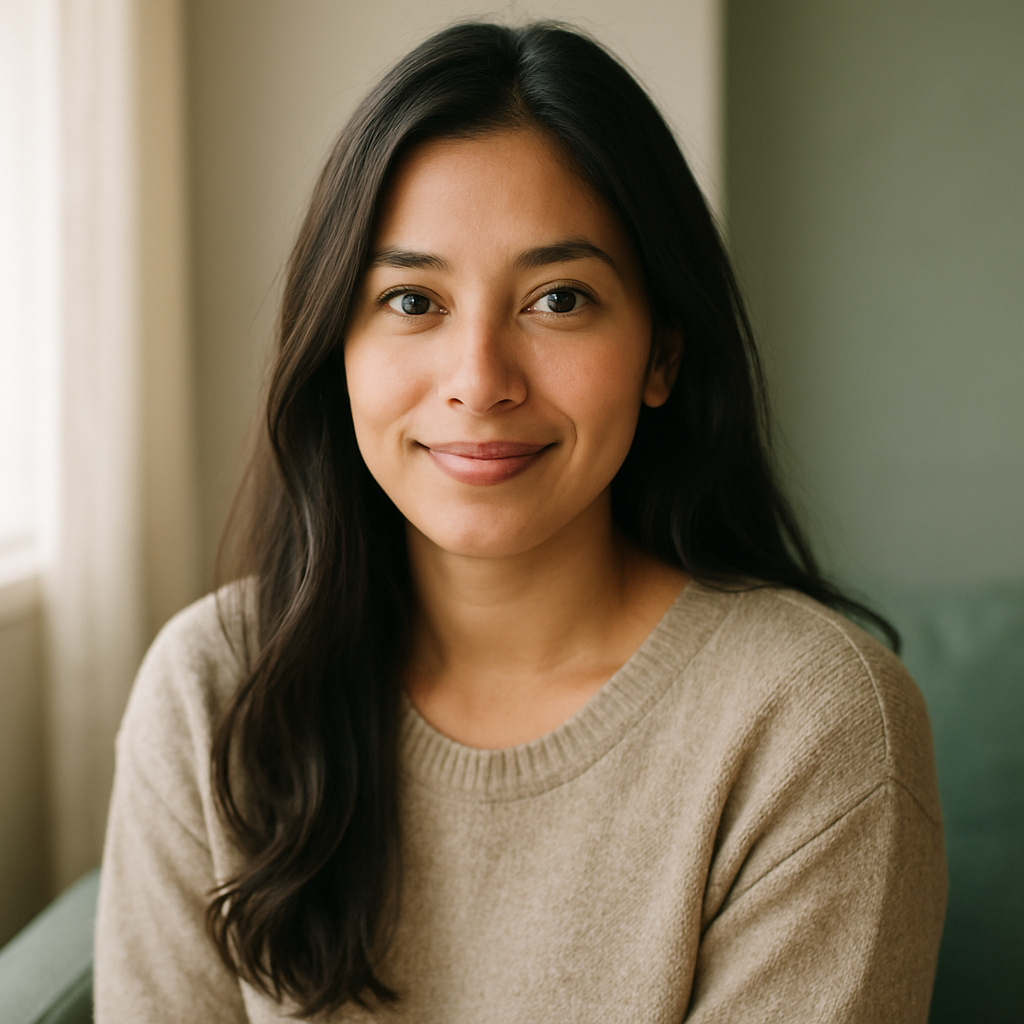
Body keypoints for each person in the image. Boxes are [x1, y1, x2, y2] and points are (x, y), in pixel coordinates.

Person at [94, 21, 946, 1023]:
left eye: (558, 299)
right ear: (336, 350)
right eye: (412, 299)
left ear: (661, 354)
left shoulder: (811, 720)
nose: (479, 380)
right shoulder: (211, 692)